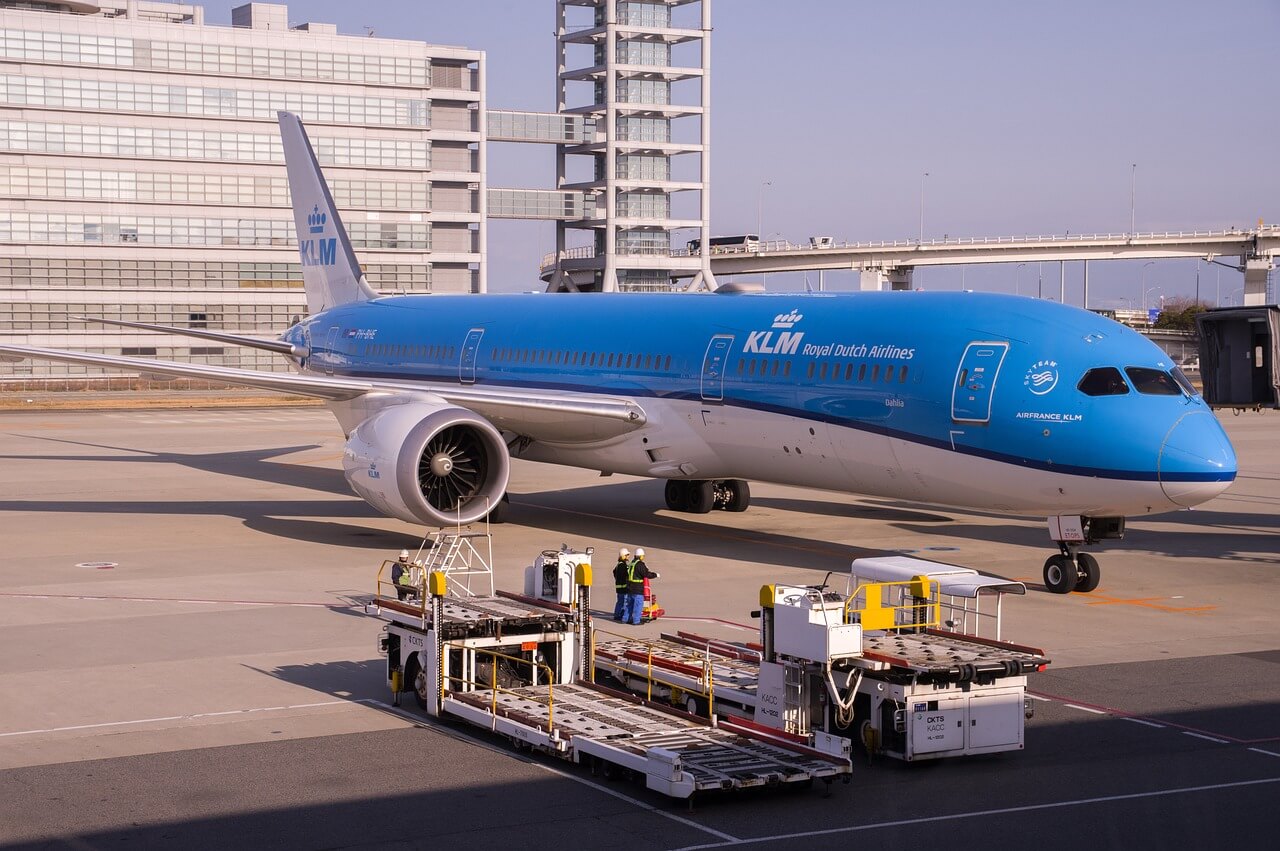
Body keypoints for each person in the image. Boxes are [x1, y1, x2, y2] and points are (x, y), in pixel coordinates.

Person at [624, 547, 660, 625]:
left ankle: (626, 619)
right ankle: (636, 621)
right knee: (638, 605)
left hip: (630, 588)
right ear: (640, 556)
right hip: (637, 589)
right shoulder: (640, 564)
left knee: (629, 605)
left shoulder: (631, 563)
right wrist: (655, 575)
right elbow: (646, 574)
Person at [612, 547, 631, 621]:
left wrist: (617, 580)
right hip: (623, 588)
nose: (628, 556)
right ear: (623, 556)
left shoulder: (619, 564)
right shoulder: (622, 565)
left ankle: (617, 615)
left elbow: (614, 572)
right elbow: (625, 576)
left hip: (619, 588)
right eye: (627, 555)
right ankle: (620, 615)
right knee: (623, 602)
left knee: (620, 602)